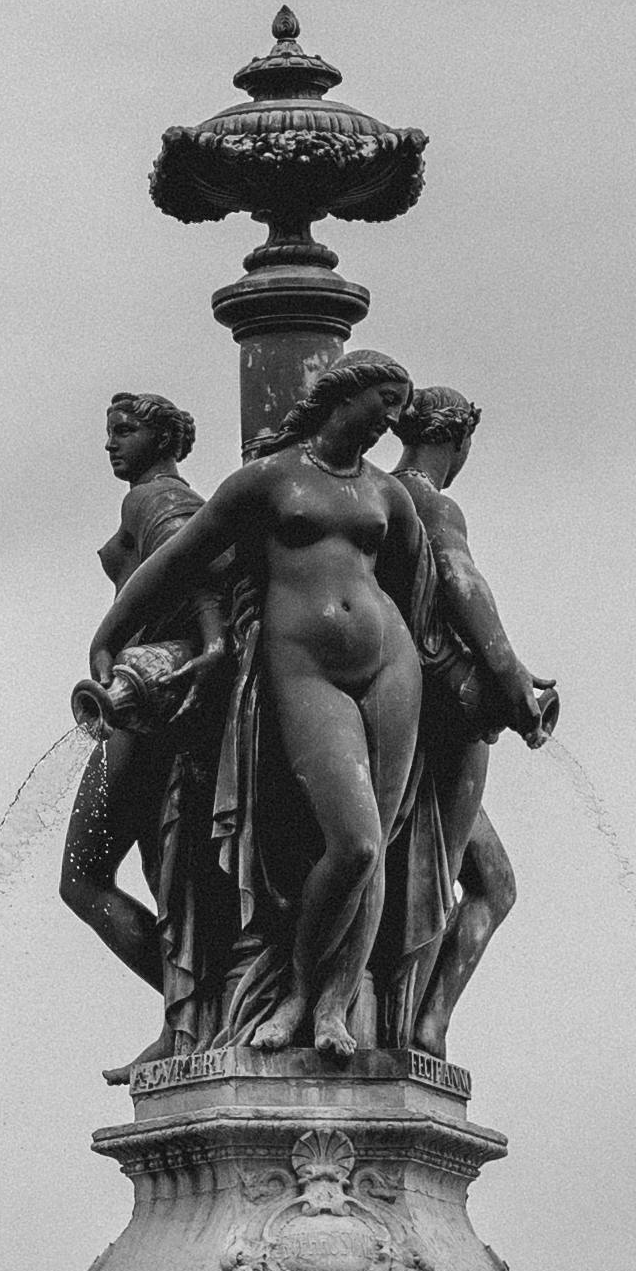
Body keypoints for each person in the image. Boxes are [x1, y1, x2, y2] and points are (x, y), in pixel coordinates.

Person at [87, 351, 429, 1063]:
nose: (395, 417)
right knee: (356, 839)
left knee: (380, 851)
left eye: (403, 404)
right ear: (344, 395)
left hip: (390, 666)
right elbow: (181, 561)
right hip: (303, 666)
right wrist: (110, 635)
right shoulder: (269, 480)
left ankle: (336, 1004)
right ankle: (299, 991)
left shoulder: (386, 495)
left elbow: (418, 582)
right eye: (386, 400)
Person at [376, 385, 558, 1074]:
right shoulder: (431, 500)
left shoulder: (375, 495)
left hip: (394, 710)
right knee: (456, 876)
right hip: (443, 717)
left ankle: (419, 1025)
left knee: (471, 878)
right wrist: (511, 674)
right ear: (458, 441)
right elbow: (460, 580)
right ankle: (414, 1032)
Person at [59, 392, 219, 1010]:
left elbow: (195, 562)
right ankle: (192, 1014)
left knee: (83, 879)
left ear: (163, 438)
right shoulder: (168, 499)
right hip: (164, 695)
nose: (110, 443)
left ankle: (197, 1010)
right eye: (109, 432)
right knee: (166, 874)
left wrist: (212, 638)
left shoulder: (154, 498)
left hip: (142, 703)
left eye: (124, 431)